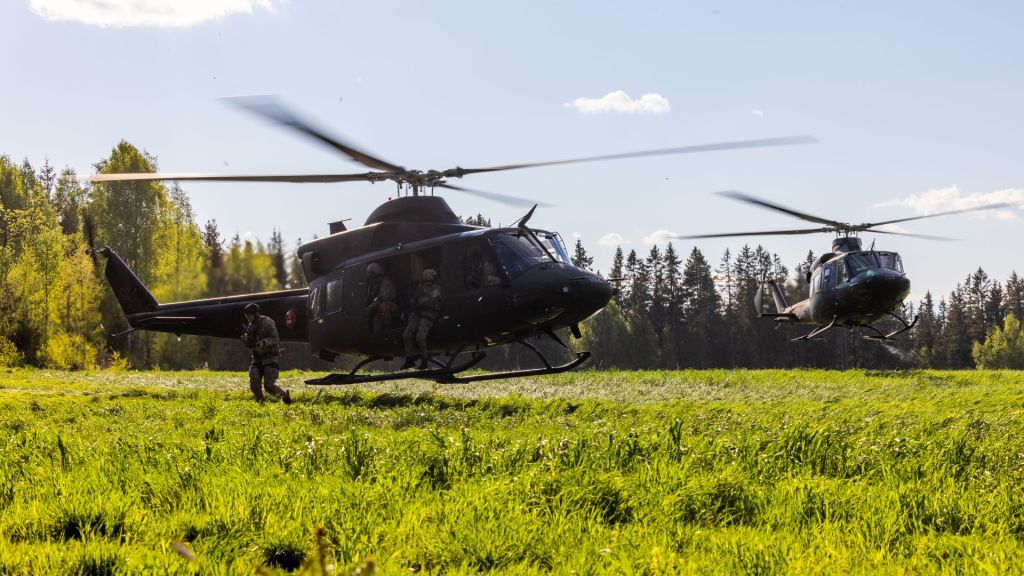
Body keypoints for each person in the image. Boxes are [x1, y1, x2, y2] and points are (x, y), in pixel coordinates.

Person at [241, 303, 292, 404]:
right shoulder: (250, 326)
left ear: (255, 314)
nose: (247, 317)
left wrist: (264, 342)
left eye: (249, 315)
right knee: (254, 385)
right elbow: (251, 345)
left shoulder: (267, 322)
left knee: (269, 386)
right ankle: (261, 405)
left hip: (270, 357)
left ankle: (284, 395)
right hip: (257, 358)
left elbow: (275, 338)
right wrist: (246, 340)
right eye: (246, 315)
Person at [401, 268, 442, 370]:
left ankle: (425, 360)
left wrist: (421, 302)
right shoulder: (421, 287)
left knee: (420, 337)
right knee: (406, 335)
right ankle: (410, 359)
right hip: (418, 314)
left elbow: (431, 300)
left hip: (429, 315)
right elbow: (415, 300)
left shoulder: (437, 288)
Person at [366, 262, 398, 335]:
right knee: (376, 324)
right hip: (378, 309)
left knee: (383, 305)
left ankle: (388, 331)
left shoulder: (385, 282)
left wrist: (371, 307)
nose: (370, 276)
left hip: (390, 306)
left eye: (371, 274)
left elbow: (382, 298)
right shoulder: (372, 285)